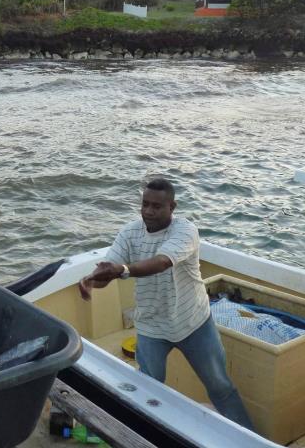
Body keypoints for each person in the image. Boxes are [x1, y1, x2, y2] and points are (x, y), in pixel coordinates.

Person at [78, 178, 253, 429]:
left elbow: (161, 262)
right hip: (151, 327)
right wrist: (91, 280)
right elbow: (109, 271)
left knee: (220, 387)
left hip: (193, 323)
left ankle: (248, 438)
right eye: (145, 204)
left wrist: (123, 270)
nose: (149, 211)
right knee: (148, 392)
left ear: (173, 207)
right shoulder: (129, 233)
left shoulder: (185, 231)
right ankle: (145, 437)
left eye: (157, 206)